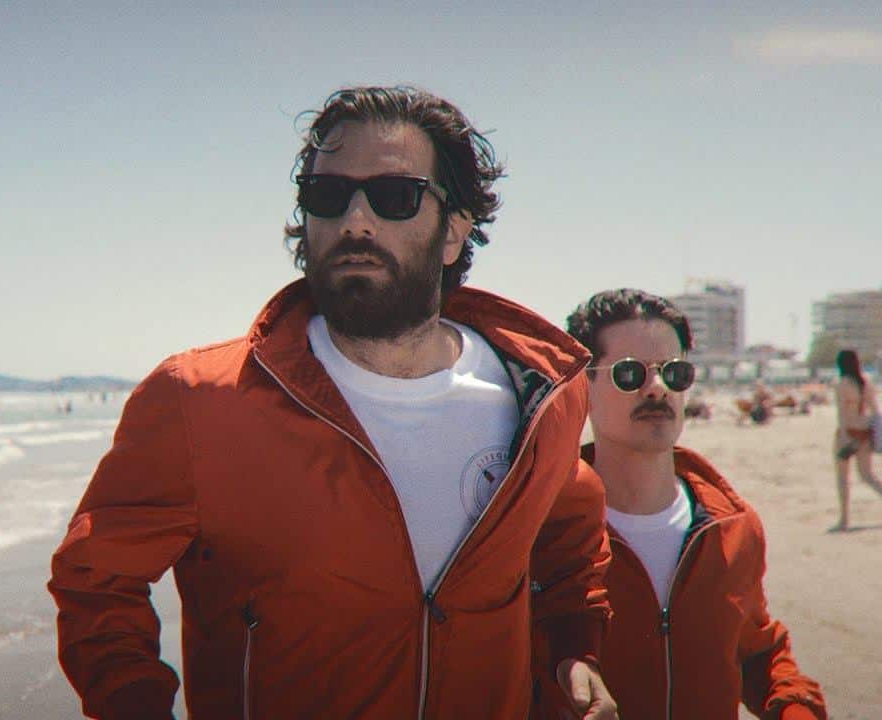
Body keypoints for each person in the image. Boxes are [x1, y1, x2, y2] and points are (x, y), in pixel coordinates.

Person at [49, 86, 614, 720]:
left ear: (455, 231)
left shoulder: (538, 396)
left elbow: (570, 534)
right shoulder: (199, 401)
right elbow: (96, 581)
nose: (355, 221)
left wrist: (575, 650)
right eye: (328, 195)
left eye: (394, 196)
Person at [560, 289, 825, 719]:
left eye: (675, 373)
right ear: (581, 387)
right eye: (629, 373)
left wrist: (796, 709)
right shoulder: (546, 530)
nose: (657, 388)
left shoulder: (733, 527)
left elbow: (756, 650)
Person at [831, 349, 882, 530]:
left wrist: (845, 437)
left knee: (843, 479)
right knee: (867, 476)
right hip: (864, 432)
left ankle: (844, 519)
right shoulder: (866, 382)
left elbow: (841, 415)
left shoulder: (841, 384)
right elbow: (875, 410)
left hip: (848, 433)